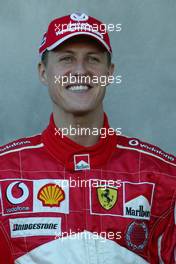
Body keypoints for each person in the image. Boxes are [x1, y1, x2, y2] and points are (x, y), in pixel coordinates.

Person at [0, 12, 175, 264]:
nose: (80, 71)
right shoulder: (5, 171)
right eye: (66, 58)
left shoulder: (163, 175)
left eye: (93, 59)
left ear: (109, 72)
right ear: (43, 72)